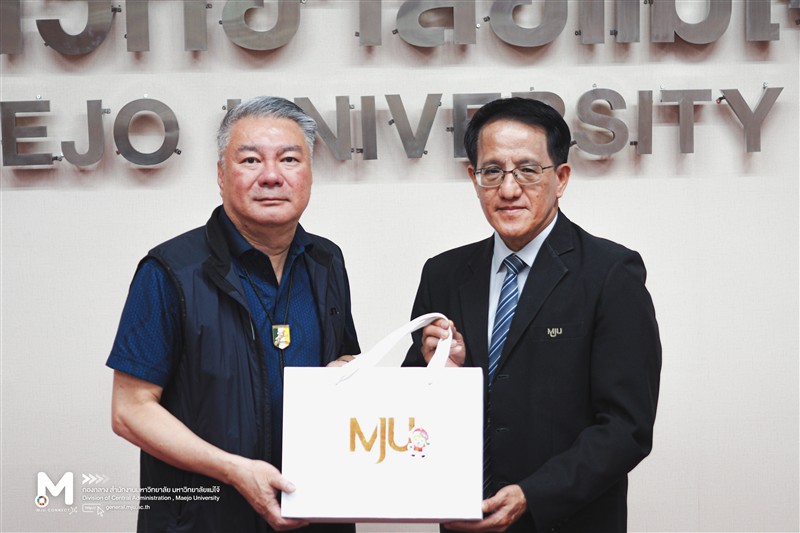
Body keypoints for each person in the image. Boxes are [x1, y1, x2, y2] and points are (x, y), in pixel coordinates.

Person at [404, 97, 661, 532]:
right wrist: (442, 374)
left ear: (561, 178)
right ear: (473, 179)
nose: (508, 190)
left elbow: (626, 427)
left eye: (527, 170)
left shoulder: (610, 273)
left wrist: (533, 495)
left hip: (565, 522)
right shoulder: (443, 274)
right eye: (492, 171)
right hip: (462, 521)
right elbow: (412, 414)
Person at [107, 96, 360, 532]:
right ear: (221, 176)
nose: (271, 176)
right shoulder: (171, 270)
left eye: (289, 159)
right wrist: (234, 470)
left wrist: (348, 372)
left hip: (314, 513)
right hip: (203, 519)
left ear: (309, 173)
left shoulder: (326, 260)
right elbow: (129, 410)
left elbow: (342, 359)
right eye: (250, 160)